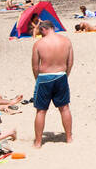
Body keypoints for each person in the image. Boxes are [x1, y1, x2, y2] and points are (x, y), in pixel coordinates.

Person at [31, 19, 74, 148]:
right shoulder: (66, 41)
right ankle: (69, 138)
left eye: (41, 32)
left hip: (44, 77)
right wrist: (66, 75)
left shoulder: (39, 44)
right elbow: (70, 62)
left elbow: (35, 66)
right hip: (61, 75)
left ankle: (38, 142)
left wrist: (37, 79)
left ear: (44, 29)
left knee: (41, 111)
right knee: (64, 108)